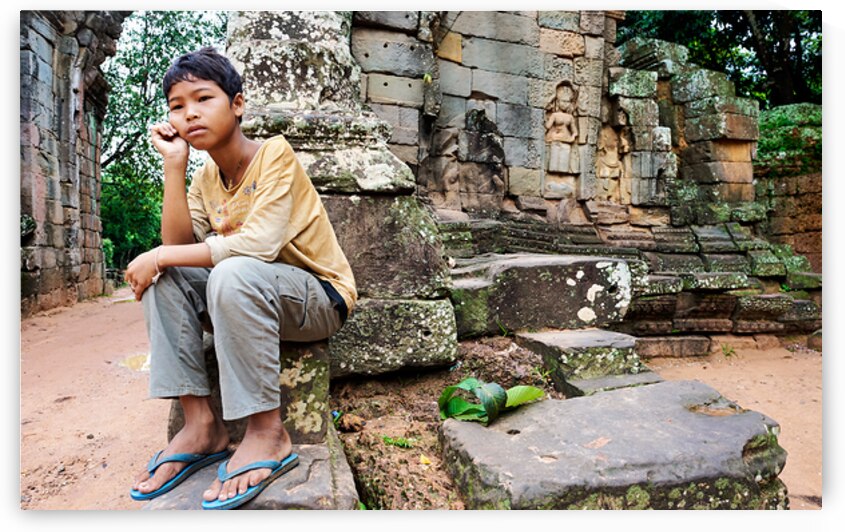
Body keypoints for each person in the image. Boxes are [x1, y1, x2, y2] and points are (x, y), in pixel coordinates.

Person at [124, 47, 357, 510]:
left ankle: (268, 432)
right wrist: (175, 165)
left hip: (316, 298)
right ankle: (201, 426)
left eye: (203, 98)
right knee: (164, 277)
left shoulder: (275, 155)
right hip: (246, 292)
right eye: (177, 105)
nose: (189, 113)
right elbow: (177, 247)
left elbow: (260, 245)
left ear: (237, 104)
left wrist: (161, 254)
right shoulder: (205, 178)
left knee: (228, 268)